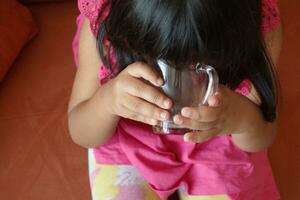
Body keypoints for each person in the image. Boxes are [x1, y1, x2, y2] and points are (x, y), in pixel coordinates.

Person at [68, 0, 282, 199]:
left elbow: (263, 135)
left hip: (218, 140)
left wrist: (239, 117)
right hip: (125, 144)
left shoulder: (255, 25)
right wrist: (108, 101)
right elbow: (81, 130)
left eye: (197, 61)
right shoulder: (106, 22)